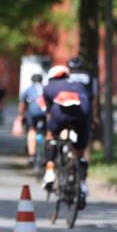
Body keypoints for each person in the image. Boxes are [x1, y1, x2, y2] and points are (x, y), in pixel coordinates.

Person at [41, 64, 92, 203]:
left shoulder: (48, 87)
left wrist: (52, 129)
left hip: (60, 113)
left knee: (51, 137)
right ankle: (82, 184)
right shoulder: (80, 85)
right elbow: (90, 102)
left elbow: (49, 112)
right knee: (80, 151)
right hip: (82, 112)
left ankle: (50, 172)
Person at [13, 73, 47, 166]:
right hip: (45, 114)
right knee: (46, 132)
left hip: (33, 114)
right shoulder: (45, 88)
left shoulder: (28, 90)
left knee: (32, 130)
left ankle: (31, 155)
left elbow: (22, 105)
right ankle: (47, 153)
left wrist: (20, 115)